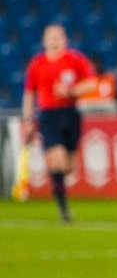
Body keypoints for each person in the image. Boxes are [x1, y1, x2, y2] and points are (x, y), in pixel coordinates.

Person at [21, 24, 97, 221]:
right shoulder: (37, 64)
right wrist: (28, 120)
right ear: (44, 41)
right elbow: (29, 94)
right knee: (58, 160)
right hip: (48, 115)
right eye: (50, 37)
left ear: (65, 39)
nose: (54, 40)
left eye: (57, 36)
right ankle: (64, 209)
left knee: (69, 167)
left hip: (70, 113)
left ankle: (58, 181)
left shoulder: (75, 59)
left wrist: (72, 91)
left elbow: (91, 82)